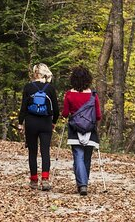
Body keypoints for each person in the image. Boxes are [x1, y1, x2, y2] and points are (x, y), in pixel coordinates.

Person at [18, 63, 59, 190]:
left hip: (31, 122)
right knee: (45, 151)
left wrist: (20, 123)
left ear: (35, 73)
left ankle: (34, 180)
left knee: (32, 152)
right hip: (46, 122)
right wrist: (54, 122)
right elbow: (56, 109)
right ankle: (45, 179)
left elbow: (23, 107)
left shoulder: (28, 87)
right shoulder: (50, 88)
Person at [61, 66, 101, 195]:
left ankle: (81, 184)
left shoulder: (69, 94)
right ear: (88, 79)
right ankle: (84, 184)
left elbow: (65, 113)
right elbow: (98, 115)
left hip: (74, 129)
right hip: (90, 130)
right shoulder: (93, 95)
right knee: (87, 158)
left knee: (78, 156)